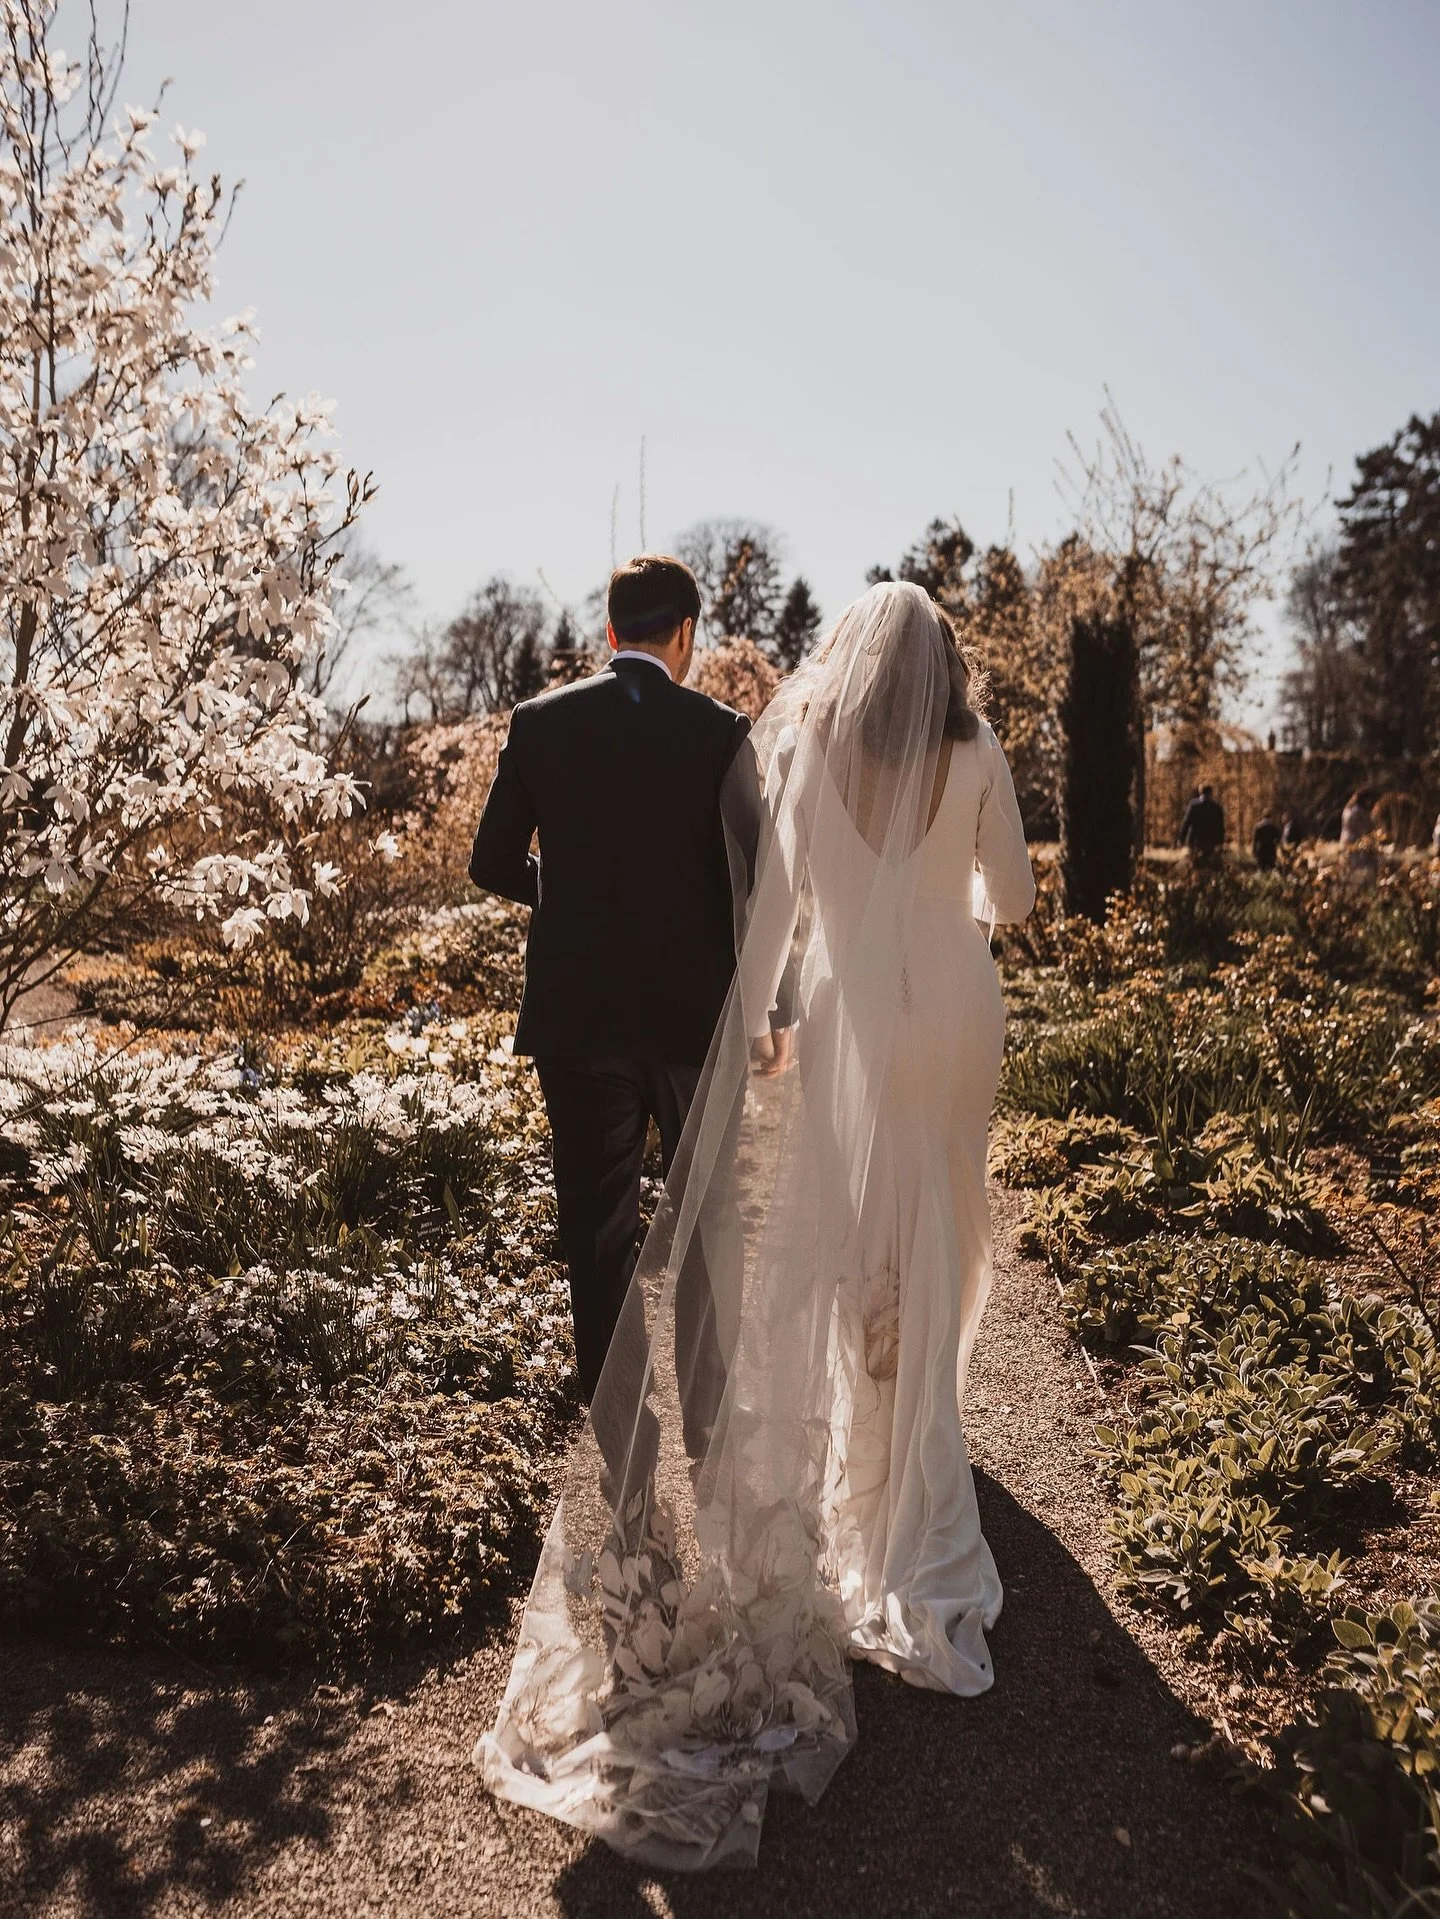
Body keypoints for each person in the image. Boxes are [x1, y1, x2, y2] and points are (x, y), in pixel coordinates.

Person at [478, 581, 1035, 1869]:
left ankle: (781, 1454)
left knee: (812, 1239)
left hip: (805, 1019)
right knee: (932, 1217)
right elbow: (1006, 898)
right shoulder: (955, 744)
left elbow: (770, 904)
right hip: (947, 1011)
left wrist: (764, 1012)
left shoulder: (792, 740)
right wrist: (935, 892)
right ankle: (914, 1437)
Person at [467, 553, 791, 1476]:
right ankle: (711, 1445)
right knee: (706, 1229)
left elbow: (491, 863)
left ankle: (628, 1460)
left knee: (599, 1240)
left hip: (579, 1026)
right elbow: (762, 887)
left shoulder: (539, 723)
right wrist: (774, 1009)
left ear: (610, 630)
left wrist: (569, 893)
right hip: (697, 1027)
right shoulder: (721, 733)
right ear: (685, 633)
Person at [1178, 782, 1225, 862]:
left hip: (1194, 841)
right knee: (1209, 864)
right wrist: (1220, 842)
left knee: (1194, 863)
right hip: (1210, 842)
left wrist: (1181, 838)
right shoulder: (1217, 807)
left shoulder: (1193, 805)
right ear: (1211, 793)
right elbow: (1220, 827)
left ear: (1200, 792)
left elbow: (1186, 822)